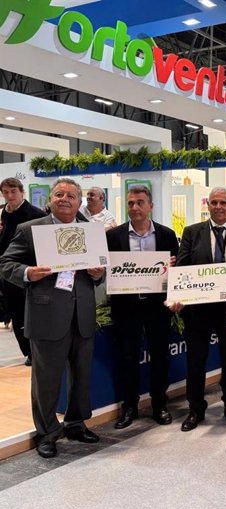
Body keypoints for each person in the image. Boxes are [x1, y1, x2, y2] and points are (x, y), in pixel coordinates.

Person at [0, 178, 105, 458]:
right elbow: (6, 263)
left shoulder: (90, 232)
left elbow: (99, 270)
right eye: (59, 194)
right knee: (46, 380)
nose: (64, 199)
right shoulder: (30, 230)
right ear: (50, 199)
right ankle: (46, 433)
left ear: (79, 201)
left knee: (81, 376)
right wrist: (27, 273)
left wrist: (98, 274)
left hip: (81, 313)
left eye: (71, 195)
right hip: (47, 313)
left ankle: (75, 423)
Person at [169, 187, 226, 432]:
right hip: (198, 308)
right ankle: (195, 409)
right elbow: (182, 268)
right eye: (213, 202)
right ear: (208, 205)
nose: (218, 207)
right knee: (196, 359)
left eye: (223, 203)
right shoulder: (192, 232)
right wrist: (178, 297)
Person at [106, 186, 179, 429]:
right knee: (128, 357)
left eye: (140, 202)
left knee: (160, 356)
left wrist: (174, 266)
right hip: (126, 308)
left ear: (150, 206)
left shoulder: (167, 235)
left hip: (157, 307)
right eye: (130, 203)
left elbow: (177, 272)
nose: (135, 208)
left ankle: (159, 404)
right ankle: (130, 407)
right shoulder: (112, 236)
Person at [0, 178, 46, 365]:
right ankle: (28, 351)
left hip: (31, 272)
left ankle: (37, 352)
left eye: (13, 192)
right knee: (16, 312)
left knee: (33, 314)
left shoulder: (35, 214)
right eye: (5, 192)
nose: (9, 196)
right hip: (8, 272)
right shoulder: (3, 213)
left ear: (22, 192)